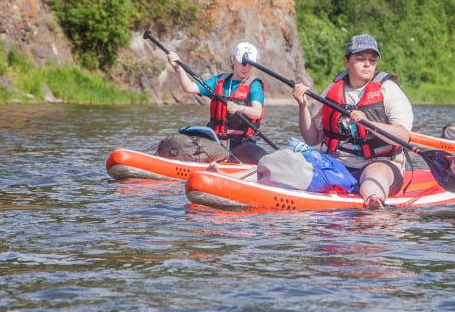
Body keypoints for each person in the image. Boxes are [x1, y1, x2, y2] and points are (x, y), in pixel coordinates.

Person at [292, 33, 413, 209]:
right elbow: (312, 139)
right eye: (360, 58)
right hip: (339, 166)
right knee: (294, 163)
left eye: (372, 60)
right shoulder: (332, 91)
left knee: (375, 174)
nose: (367, 64)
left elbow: (403, 136)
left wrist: (369, 124)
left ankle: (374, 200)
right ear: (347, 61)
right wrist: (303, 107)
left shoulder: (389, 91)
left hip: (382, 164)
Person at [163, 41, 268, 164]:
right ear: (233, 59)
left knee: (256, 155)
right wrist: (179, 68)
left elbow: (256, 112)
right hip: (216, 143)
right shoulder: (219, 81)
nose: (246, 68)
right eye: (243, 63)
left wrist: (239, 108)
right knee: (181, 144)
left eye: (250, 64)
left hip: (242, 144)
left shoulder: (254, 85)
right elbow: (189, 87)